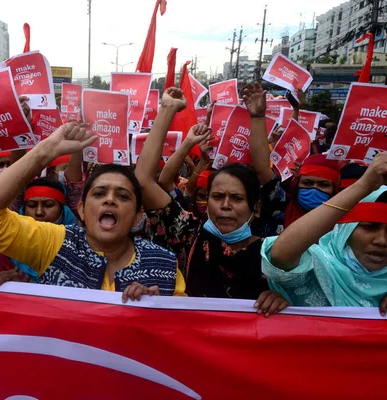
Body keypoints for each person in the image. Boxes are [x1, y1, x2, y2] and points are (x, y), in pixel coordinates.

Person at [0, 123, 186, 302]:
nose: (110, 199)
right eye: (99, 194)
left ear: (138, 215)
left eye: (122, 196)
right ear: (81, 209)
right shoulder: (55, 243)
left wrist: (159, 309)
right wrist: (44, 152)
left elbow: (184, 332)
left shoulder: (164, 262)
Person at [135, 87, 288, 316]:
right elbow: (144, 180)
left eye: (237, 198)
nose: (225, 205)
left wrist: (283, 299)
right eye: (217, 196)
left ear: (255, 207)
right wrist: (167, 109)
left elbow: (263, 172)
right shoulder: (189, 234)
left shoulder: (274, 252)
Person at [262, 153, 387, 315]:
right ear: (346, 231)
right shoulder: (316, 265)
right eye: (369, 227)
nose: (382, 241)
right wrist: (364, 185)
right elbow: (279, 255)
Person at [244, 82, 340, 234]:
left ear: (335, 189)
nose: (314, 189)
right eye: (307, 182)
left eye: (323, 184)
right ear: (296, 183)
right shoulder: (281, 206)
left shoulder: (345, 226)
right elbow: (262, 168)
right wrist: (257, 117)